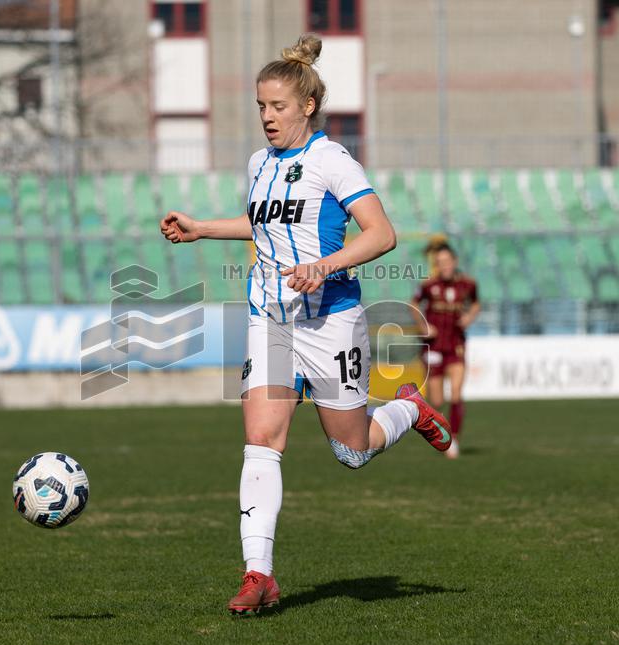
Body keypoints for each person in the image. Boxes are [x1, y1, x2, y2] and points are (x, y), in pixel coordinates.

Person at [159, 34, 452, 615]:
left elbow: (381, 233)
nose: (267, 118)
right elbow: (261, 224)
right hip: (269, 318)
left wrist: (325, 265)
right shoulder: (258, 164)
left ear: (307, 107)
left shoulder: (332, 161)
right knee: (260, 441)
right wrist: (201, 228)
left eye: (278, 107)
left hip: (331, 321)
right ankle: (258, 574)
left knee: (351, 450)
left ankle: (408, 409)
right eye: (261, 107)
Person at [410, 242, 480, 459]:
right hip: (433, 347)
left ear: (455, 262)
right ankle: (439, 432)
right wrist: (423, 326)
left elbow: (476, 303)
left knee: (457, 393)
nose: (445, 266)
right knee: (437, 400)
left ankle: (454, 440)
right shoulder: (429, 285)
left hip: (456, 344)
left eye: (447, 261)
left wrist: (469, 316)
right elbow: (413, 304)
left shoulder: (468, 284)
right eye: (440, 263)